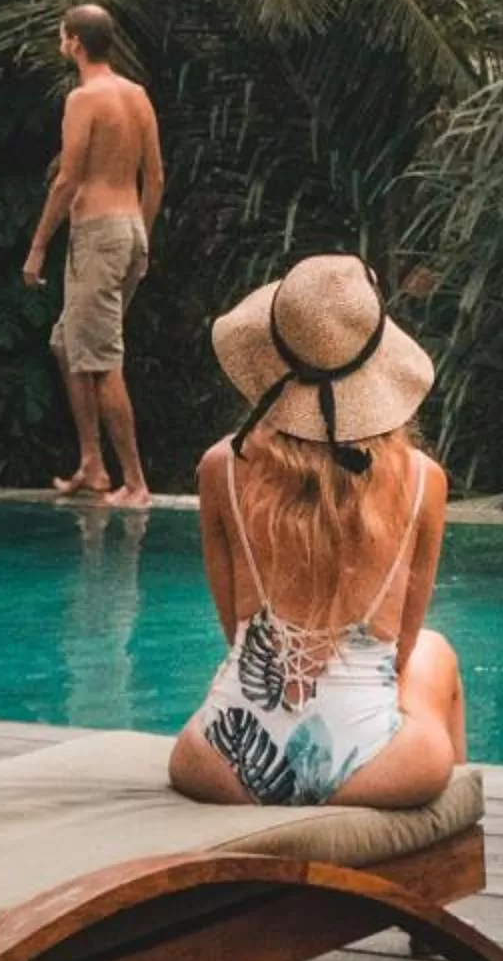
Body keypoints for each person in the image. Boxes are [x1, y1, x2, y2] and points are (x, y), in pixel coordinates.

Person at [171, 252, 467, 810]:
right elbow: (401, 649)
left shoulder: (221, 468)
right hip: (375, 767)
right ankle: (431, 843)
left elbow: (235, 633)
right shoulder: (424, 481)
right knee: (435, 652)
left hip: (226, 764)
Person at [23, 3, 162, 508]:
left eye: (62, 37)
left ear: (75, 43)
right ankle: (92, 464)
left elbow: (68, 179)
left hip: (99, 234)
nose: (61, 43)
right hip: (128, 230)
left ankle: (135, 482)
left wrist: (38, 246)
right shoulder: (137, 95)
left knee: (102, 361)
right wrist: (142, 240)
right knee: (68, 343)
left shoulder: (84, 99)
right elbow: (156, 178)